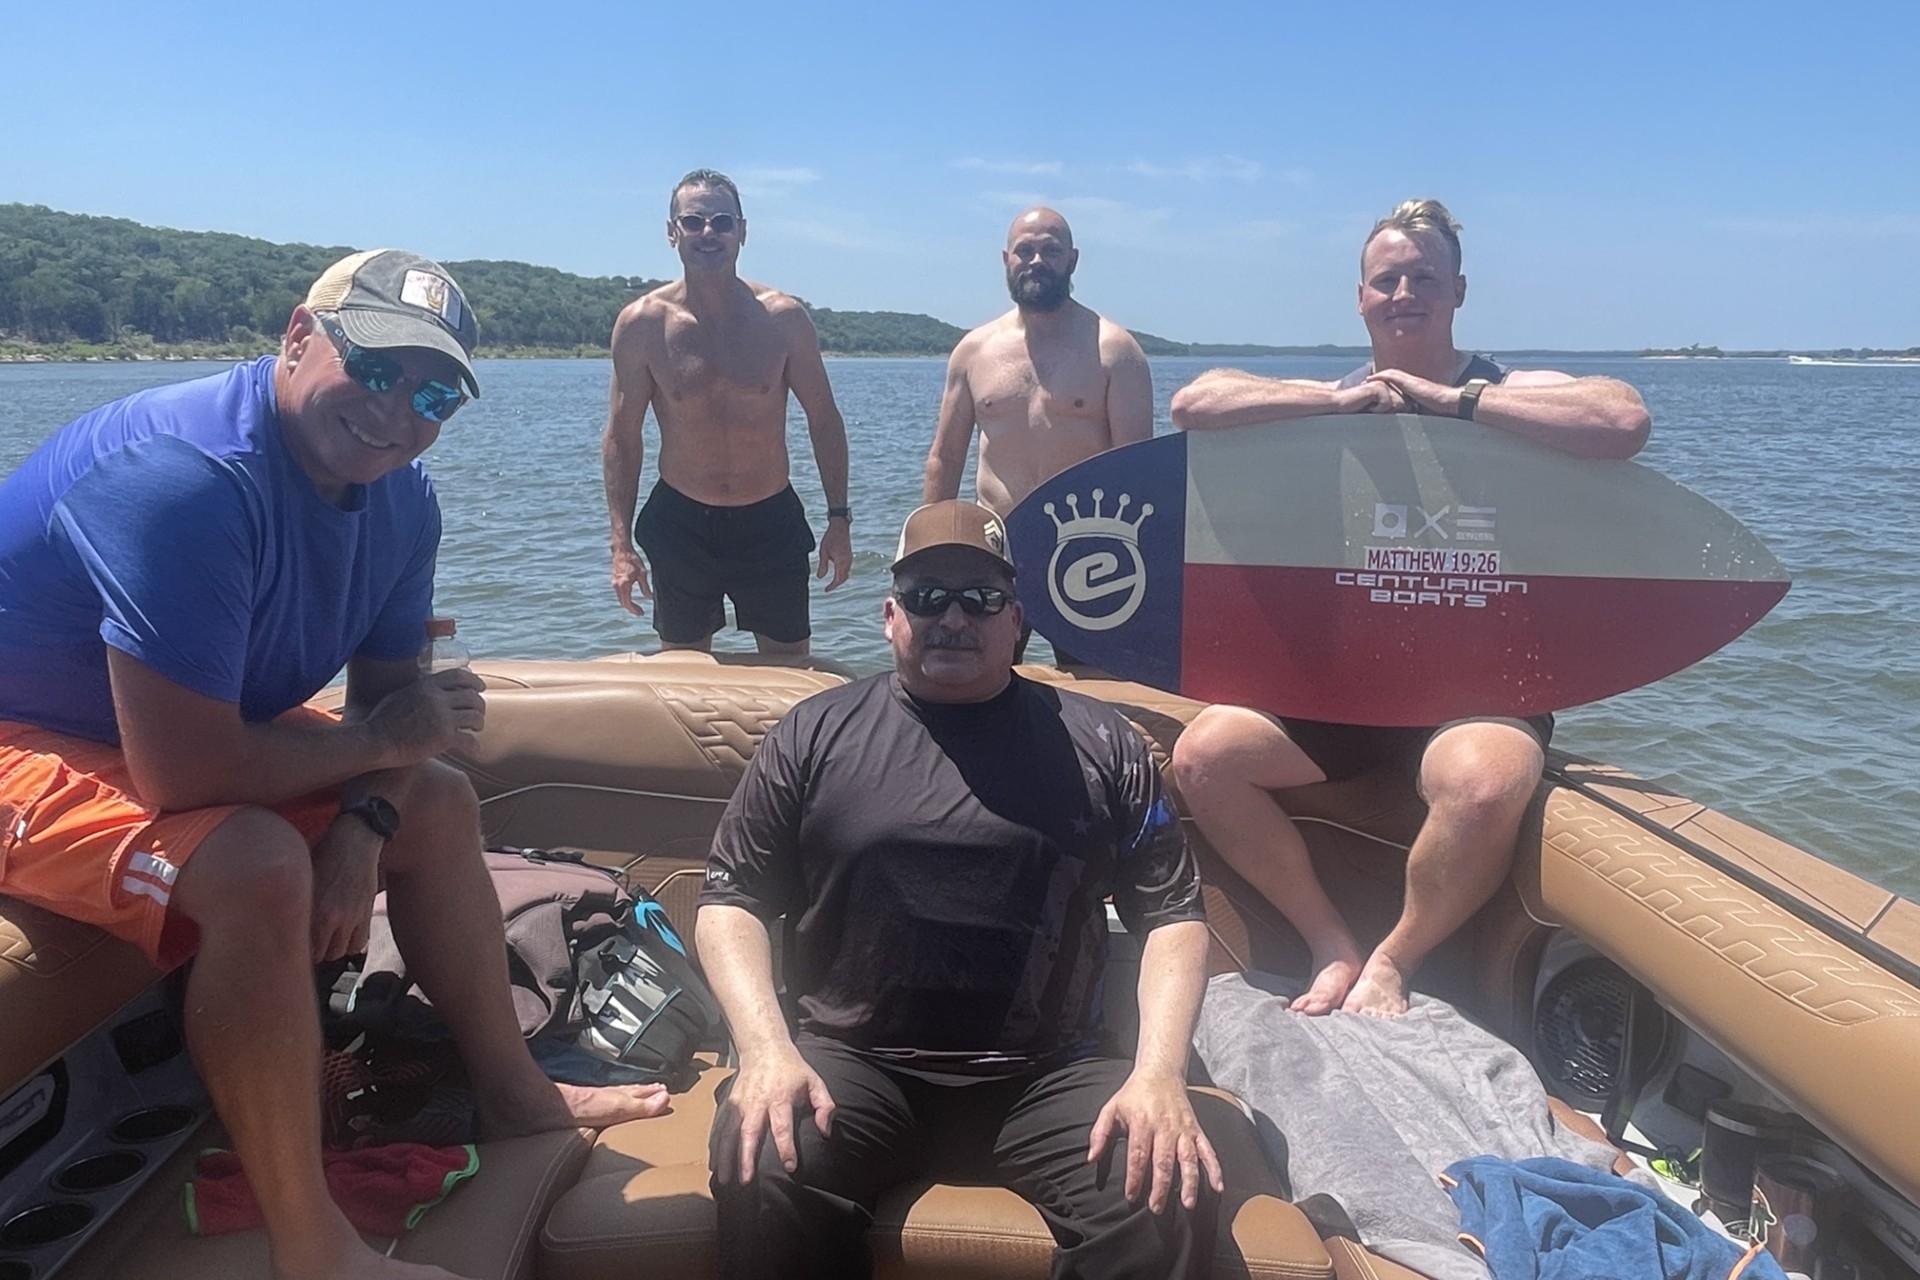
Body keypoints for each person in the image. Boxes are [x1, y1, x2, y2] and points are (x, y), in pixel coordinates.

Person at [0, 250, 670, 1280]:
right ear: (299, 335)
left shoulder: (404, 501)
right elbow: (190, 773)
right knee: (259, 861)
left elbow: (394, 712)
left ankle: (517, 1092)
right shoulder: (186, 479)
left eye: (436, 390)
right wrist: (377, 751)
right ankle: (313, 1243)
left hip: (166, 722)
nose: (398, 408)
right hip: (22, 732)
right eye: (377, 365)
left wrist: (365, 825)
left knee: (434, 800)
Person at [695, 500, 1224, 1280]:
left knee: (1163, 1197)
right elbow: (730, 900)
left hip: (1050, 1073)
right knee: (764, 1164)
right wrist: (765, 1050)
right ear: (889, 614)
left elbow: (1174, 917)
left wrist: (1157, 1074)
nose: (952, 617)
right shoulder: (810, 735)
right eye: (927, 596)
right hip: (853, 1061)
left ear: (1017, 621)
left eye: (978, 599)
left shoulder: (1103, 741)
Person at [1168, 199, 1652, 1018]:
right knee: (1205, 758)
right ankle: (1330, 943)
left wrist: (1452, 402)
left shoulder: (1506, 389)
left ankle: (1395, 960)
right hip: (1342, 696)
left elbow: (1622, 418)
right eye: (1386, 280)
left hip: (1476, 692)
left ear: (1458, 291)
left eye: (1423, 278)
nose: (1404, 293)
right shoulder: (1336, 397)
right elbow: (1194, 404)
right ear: (1360, 298)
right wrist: (1331, 402)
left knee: (1486, 787)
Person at [602, 168, 853, 656]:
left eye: (722, 221)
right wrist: (620, 545)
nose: (708, 234)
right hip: (681, 521)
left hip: (769, 518)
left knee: (787, 669)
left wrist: (839, 520)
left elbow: (824, 419)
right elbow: (621, 437)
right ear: (672, 231)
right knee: (684, 672)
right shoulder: (642, 325)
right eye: (693, 222)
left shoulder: (783, 319)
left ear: (742, 231)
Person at [923, 207, 1153, 663]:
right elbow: (945, 459)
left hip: (1088, 552)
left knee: (1095, 685)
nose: (1036, 260)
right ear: (1007, 259)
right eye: (1025, 251)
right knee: (976, 679)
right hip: (996, 549)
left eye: (1050, 250)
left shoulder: (1114, 350)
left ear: (1072, 260)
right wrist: (927, 553)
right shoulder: (974, 351)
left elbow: (1136, 470)